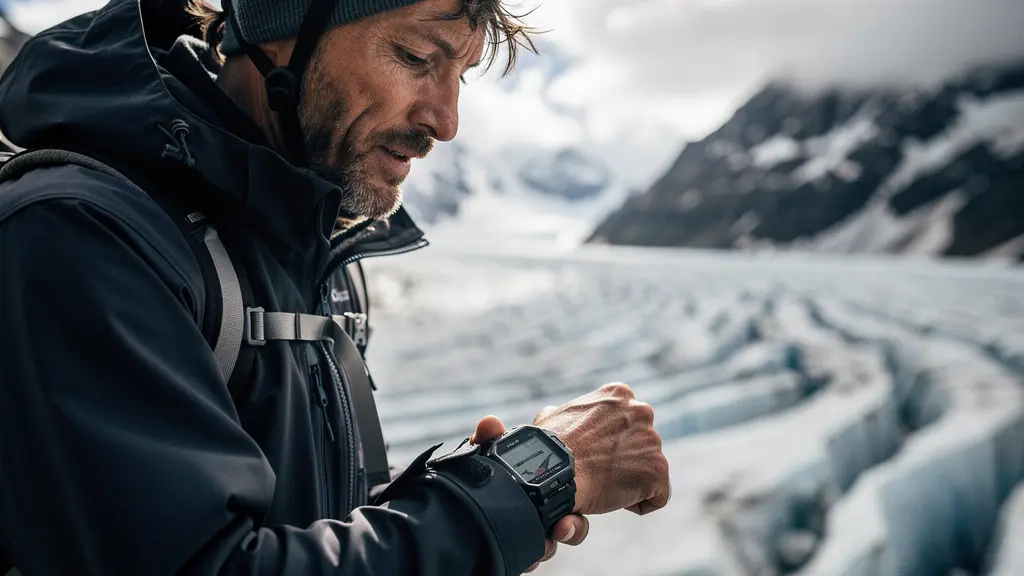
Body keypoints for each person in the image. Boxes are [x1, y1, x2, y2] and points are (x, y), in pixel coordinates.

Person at [0, 0, 672, 573]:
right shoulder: (82, 235)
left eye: (460, 75)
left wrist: (483, 489)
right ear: (278, 29)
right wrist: (523, 486)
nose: (446, 120)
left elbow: (311, 531)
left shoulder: (311, 247)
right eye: (416, 57)